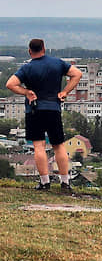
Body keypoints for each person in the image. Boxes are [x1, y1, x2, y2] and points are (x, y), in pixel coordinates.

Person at [6, 39, 82, 191]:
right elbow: (77, 74)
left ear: (29, 51)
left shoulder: (27, 68)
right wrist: (65, 92)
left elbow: (10, 84)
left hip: (34, 110)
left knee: (39, 146)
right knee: (59, 146)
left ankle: (45, 182)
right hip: (53, 108)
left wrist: (26, 92)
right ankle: (65, 183)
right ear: (44, 49)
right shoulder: (57, 63)